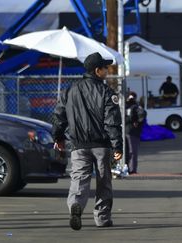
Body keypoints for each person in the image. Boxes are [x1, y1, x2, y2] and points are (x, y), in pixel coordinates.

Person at [52, 52, 123, 231]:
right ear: (97, 70)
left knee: (79, 178)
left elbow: (59, 117)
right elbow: (112, 121)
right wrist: (117, 145)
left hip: (78, 145)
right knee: (103, 182)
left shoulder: (69, 90)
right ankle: (102, 217)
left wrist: (58, 138)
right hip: (101, 145)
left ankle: (76, 204)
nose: (108, 70)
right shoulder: (106, 91)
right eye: (105, 68)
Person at [125, 91, 145, 174]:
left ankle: (129, 168)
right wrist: (137, 121)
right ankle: (131, 169)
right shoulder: (135, 107)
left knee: (129, 151)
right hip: (132, 132)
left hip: (127, 131)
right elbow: (142, 115)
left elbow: (141, 115)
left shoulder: (125, 107)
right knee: (132, 151)